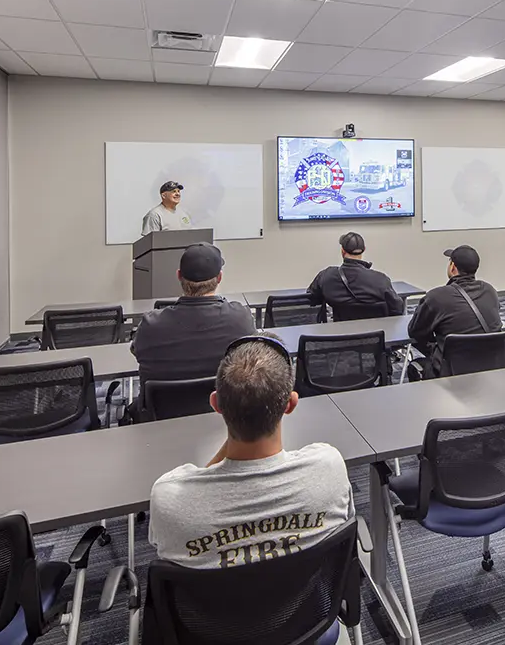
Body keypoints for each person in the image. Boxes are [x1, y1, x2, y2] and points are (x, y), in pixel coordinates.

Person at [148, 335, 353, 568]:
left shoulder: (169, 498)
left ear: (216, 404)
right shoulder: (328, 467)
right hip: (313, 604)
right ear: (291, 404)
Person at [129, 243, 255, 420]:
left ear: (179, 275)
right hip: (226, 419)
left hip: (158, 423)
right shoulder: (241, 318)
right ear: (219, 277)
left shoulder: (151, 325)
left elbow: (136, 351)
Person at [406, 246, 501, 380]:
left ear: (452, 267)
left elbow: (416, 332)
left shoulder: (436, 297)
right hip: (491, 366)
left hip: (451, 372)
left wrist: (436, 349)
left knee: (415, 367)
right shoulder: (490, 291)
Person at [306, 232, 405, 318]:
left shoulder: (326, 275)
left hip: (341, 336)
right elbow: (398, 309)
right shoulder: (380, 279)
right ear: (364, 249)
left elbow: (312, 298)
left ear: (342, 251)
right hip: (375, 337)